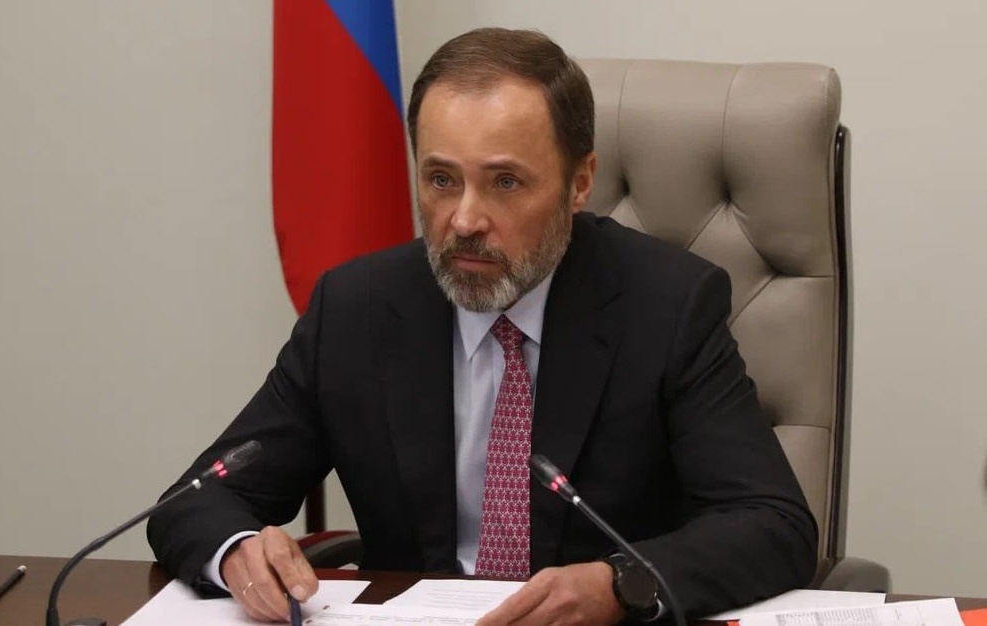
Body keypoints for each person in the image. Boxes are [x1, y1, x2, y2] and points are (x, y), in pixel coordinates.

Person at [147, 27, 817, 625]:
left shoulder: (665, 305)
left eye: (504, 183)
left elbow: (771, 524)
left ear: (579, 182)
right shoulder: (357, 309)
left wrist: (621, 585)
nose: (464, 220)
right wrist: (236, 552)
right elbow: (195, 501)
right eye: (441, 180)